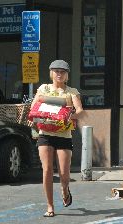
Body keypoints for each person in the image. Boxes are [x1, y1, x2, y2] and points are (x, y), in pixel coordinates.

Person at [30, 60, 83, 217]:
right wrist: (34, 117)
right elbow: (34, 107)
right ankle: (50, 206)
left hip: (64, 135)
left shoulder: (71, 91)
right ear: (51, 73)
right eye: (56, 71)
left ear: (67, 75)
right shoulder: (43, 88)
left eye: (63, 71)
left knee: (64, 175)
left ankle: (64, 189)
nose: (59, 74)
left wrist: (70, 116)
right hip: (45, 134)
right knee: (47, 170)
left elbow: (80, 110)